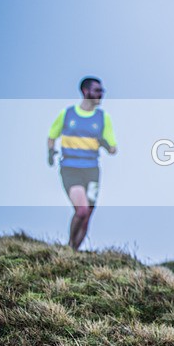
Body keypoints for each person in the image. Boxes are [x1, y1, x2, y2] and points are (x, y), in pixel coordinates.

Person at [47, 77, 117, 251]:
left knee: (88, 215)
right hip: (71, 169)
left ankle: (74, 252)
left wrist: (104, 143)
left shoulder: (103, 118)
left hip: (92, 171)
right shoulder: (67, 114)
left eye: (102, 91)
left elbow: (113, 148)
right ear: (86, 91)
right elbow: (52, 136)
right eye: (97, 90)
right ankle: (70, 246)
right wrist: (50, 152)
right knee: (82, 210)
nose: (101, 94)